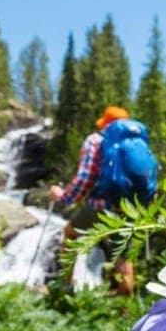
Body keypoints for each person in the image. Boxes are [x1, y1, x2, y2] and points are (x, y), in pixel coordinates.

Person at [49, 106, 135, 295]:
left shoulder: (96, 140)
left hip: (101, 206)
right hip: (131, 208)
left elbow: (85, 177)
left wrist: (64, 197)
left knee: (70, 233)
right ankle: (126, 304)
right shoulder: (135, 144)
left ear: (104, 123)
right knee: (122, 253)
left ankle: (66, 287)